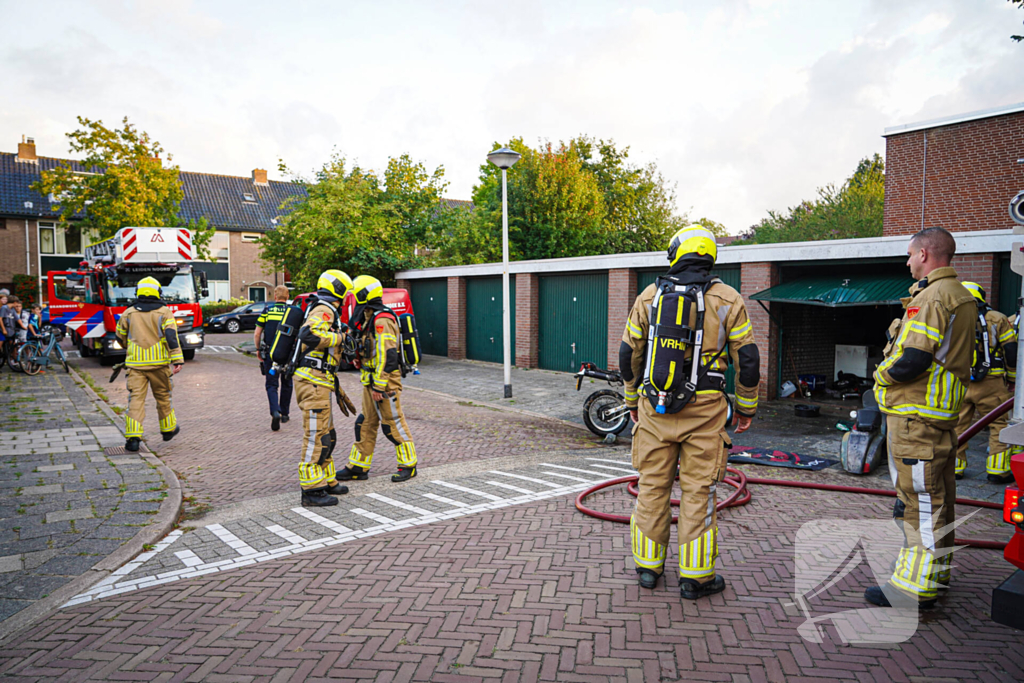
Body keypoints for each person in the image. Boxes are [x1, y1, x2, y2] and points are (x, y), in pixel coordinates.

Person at [620, 224, 761, 599]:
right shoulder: (729, 299)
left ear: (676, 253)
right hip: (707, 408)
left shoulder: (649, 296)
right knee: (699, 491)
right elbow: (747, 360)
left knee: (652, 487)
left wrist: (633, 400)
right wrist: (746, 407)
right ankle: (695, 578)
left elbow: (627, 355)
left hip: (655, 407)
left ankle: (648, 569)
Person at [868, 227, 975, 609]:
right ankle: (935, 575)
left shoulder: (931, 297)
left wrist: (879, 375)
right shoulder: (961, 297)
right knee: (939, 499)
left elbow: (912, 359)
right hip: (939, 417)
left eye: (911, 255)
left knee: (918, 503)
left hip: (916, 419)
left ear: (926, 254)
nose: (908, 262)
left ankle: (912, 588)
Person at [337, 275, 419, 484]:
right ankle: (358, 467)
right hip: (370, 380)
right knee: (365, 423)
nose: (355, 297)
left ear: (365, 294)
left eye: (357, 293)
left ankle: (408, 465)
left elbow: (388, 355)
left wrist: (380, 386)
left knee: (393, 424)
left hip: (384, 383)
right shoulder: (369, 317)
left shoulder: (382, 319)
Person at [293, 270, 355, 507]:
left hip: (321, 380)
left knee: (327, 435)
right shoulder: (324, 309)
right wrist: (340, 338)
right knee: (316, 435)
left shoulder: (324, 308)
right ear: (338, 288)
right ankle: (311, 489)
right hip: (313, 381)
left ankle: (327, 480)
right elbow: (309, 334)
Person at [954, 282, 1018, 484]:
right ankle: (997, 471)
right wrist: (1013, 380)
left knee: (957, 425)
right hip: (991, 384)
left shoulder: (951, 318)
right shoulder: (998, 319)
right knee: (999, 425)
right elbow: (1011, 353)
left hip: (959, 384)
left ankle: (954, 468)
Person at [115, 277, 184, 452]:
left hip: (135, 365)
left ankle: (133, 438)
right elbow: (171, 337)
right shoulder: (164, 312)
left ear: (138, 291)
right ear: (158, 292)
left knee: (136, 400)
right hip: (159, 365)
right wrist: (177, 359)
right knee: (163, 396)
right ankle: (168, 429)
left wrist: (129, 347)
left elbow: (119, 336)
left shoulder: (128, 313)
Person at [254, 285, 294, 431]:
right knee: (287, 382)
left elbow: (257, 333)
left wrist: (258, 349)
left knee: (271, 384)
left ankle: (275, 411)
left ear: (275, 297)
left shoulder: (267, 311)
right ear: (288, 297)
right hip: (288, 354)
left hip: (270, 353)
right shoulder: (292, 313)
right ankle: (285, 413)